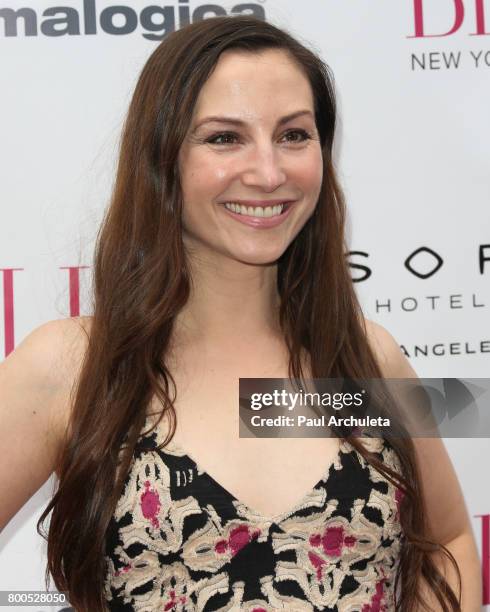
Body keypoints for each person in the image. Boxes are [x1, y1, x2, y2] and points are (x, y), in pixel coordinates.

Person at [0, 14, 481, 612]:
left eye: (294, 135)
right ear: (162, 157)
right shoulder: (74, 366)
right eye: (224, 138)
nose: (268, 173)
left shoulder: (362, 357)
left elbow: (447, 542)